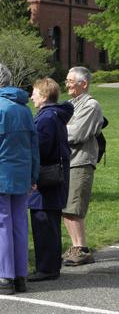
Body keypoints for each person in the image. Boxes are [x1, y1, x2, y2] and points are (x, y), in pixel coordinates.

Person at [0, 63, 39, 295]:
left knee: (1, 225)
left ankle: (5, 278)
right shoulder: (24, 109)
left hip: (0, 178)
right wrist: (33, 175)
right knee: (20, 225)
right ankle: (20, 276)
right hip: (22, 177)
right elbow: (34, 146)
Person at [28, 78, 74, 281]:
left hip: (46, 180)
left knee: (44, 223)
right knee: (50, 223)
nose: (31, 97)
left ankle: (47, 268)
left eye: (35, 93)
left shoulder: (46, 118)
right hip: (56, 177)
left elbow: (42, 150)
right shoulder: (55, 115)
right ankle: (51, 266)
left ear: (44, 96)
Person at [62, 66, 104, 266]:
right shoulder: (71, 104)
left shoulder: (91, 105)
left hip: (81, 161)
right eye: (67, 81)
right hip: (68, 161)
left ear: (84, 84)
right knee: (66, 208)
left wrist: (57, 130)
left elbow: (76, 134)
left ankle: (82, 249)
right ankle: (75, 247)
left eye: (71, 81)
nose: (67, 84)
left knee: (74, 208)